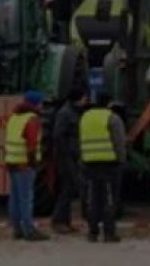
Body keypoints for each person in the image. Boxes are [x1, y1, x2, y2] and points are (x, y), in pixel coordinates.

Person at [80, 91, 126, 243]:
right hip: (109, 164)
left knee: (93, 199)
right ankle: (109, 233)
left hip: (89, 163)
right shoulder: (112, 118)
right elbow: (119, 141)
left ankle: (92, 233)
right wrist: (121, 160)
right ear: (109, 103)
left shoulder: (85, 117)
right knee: (109, 200)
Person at [4, 90, 49, 241]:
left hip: (12, 161)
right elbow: (31, 144)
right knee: (26, 198)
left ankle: (17, 229)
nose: (43, 105)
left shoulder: (14, 117)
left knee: (15, 197)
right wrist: (33, 163)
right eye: (41, 102)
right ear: (36, 103)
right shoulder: (32, 119)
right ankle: (29, 230)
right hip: (24, 164)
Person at [51, 87, 88, 234]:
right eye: (84, 98)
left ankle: (66, 221)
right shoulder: (65, 114)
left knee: (71, 188)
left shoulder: (73, 112)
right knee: (67, 188)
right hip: (66, 157)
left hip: (72, 156)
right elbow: (59, 135)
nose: (86, 100)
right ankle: (58, 221)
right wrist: (66, 153)